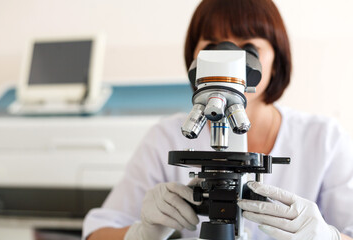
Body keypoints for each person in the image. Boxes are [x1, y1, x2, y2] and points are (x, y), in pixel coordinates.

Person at [83, 0, 353, 239]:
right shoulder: (163, 136)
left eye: (248, 47)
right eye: (212, 47)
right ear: (194, 59)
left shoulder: (324, 138)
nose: (228, 57)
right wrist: (141, 234)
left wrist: (328, 237)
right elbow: (97, 233)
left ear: (277, 58)